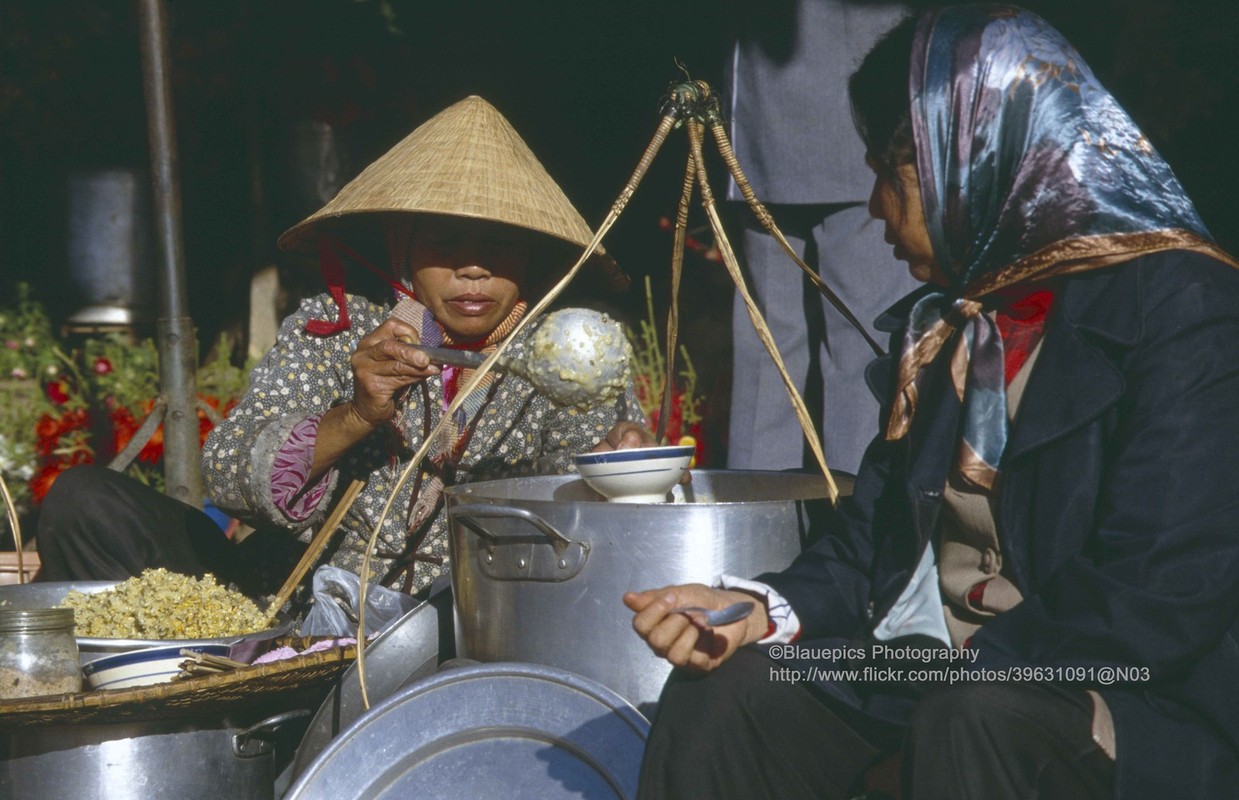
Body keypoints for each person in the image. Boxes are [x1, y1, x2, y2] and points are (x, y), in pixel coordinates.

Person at [624, 6, 1239, 799]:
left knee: (976, 714)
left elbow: (1158, 589)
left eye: (892, 169)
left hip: (1118, 684)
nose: (876, 206)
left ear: (980, 156)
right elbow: (867, 546)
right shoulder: (950, 323)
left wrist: (967, 665)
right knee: (729, 694)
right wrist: (754, 610)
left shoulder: (1184, 309)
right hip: (937, 672)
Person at [38, 95, 647, 600]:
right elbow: (225, 473)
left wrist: (618, 473)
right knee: (84, 501)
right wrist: (354, 416)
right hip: (299, 608)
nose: (472, 269)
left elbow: (594, 539)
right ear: (403, 244)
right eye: (445, 241)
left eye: (499, 247)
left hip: (474, 619)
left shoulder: (574, 357)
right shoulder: (336, 325)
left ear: (535, 259)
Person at [722, 0, 921, 476]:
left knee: (772, 352)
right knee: (862, 350)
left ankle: (762, 535)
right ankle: (860, 531)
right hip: (852, 90)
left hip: (767, 100)